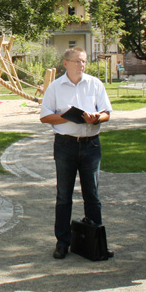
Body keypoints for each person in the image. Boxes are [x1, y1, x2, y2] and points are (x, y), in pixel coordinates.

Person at [39, 48, 113, 259]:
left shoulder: (94, 84)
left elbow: (107, 112)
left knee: (93, 195)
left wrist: (96, 117)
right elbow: (45, 117)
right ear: (66, 63)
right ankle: (62, 242)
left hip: (91, 144)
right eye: (78, 61)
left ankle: (97, 241)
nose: (81, 65)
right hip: (65, 145)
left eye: (84, 62)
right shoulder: (55, 87)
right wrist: (68, 117)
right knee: (64, 195)